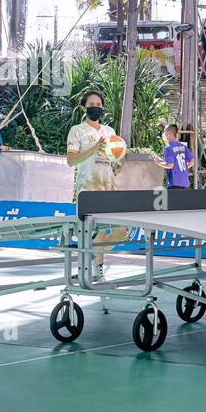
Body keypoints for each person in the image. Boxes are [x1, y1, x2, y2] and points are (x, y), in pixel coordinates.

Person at [65, 90, 125, 279]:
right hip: (89, 189)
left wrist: (118, 160)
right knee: (96, 233)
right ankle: (97, 267)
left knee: (121, 231)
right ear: (84, 107)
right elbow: (71, 161)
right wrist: (93, 149)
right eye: (92, 105)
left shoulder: (110, 132)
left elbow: (114, 160)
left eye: (99, 105)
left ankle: (91, 258)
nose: (96, 108)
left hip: (109, 188)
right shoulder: (77, 130)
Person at [153, 124, 191, 189]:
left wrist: (158, 163)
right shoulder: (183, 147)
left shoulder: (168, 148)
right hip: (185, 182)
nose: (164, 136)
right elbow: (192, 161)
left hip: (174, 182)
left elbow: (170, 165)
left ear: (169, 134)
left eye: (165, 133)